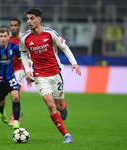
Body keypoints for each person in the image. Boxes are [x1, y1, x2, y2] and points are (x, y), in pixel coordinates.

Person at [20, 8, 81, 143]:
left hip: (55, 74)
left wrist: (74, 63)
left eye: (32, 18)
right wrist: (27, 71)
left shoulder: (50, 34)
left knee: (59, 106)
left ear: (39, 19)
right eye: (28, 19)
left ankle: (63, 107)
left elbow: (64, 47)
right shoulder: (24, 38)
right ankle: (67, 135)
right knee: (50, 105)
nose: (29, 21)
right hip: (40, 76)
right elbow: (23, 53)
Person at [8, 18, 24, 126]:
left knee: (15, 91)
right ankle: (18, 112)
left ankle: (14, 117)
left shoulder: (23, 39)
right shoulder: (6, 39)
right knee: (13, 93)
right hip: (9, 70)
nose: (13, 27)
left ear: (19, 27)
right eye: (12, 25)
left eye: (15, 25)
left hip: (20, 69)